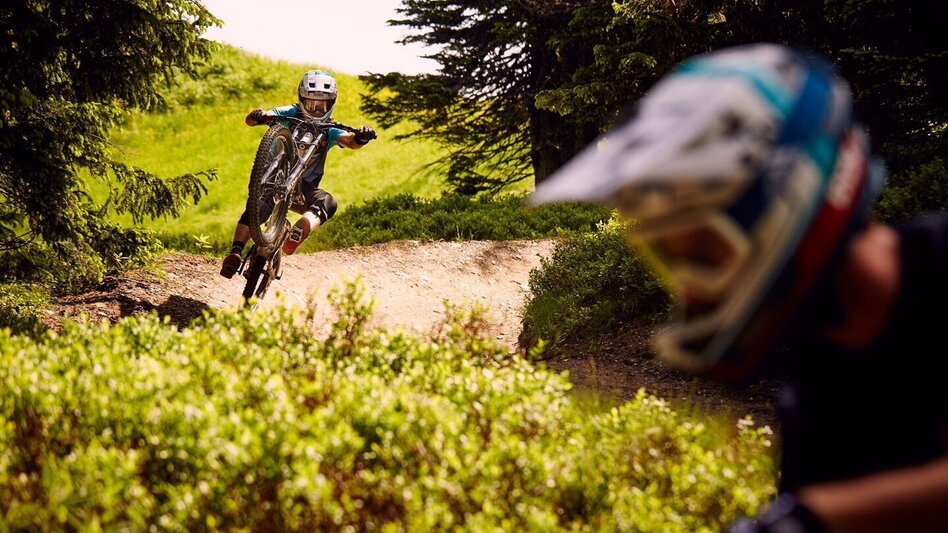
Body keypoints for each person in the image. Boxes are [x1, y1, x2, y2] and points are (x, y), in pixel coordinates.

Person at [531, 43, 948, 532]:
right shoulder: (820, 393)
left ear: (778, 198)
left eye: (701, 251)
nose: (689, 285)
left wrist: (814, 520)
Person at [220, 69, 376, 278]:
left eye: (323, 105)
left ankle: (299, 231)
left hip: (302, 190)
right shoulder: (290, 112)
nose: (317, 109)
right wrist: (258, 116)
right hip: (273, 181)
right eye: (311, 103)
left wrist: (362, 137)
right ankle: (235, 253)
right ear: (301, 99)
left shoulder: (330, 128)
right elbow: (255, 119)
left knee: (328, 202)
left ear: (332, 103)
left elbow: (350, 141)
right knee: (257, 209)